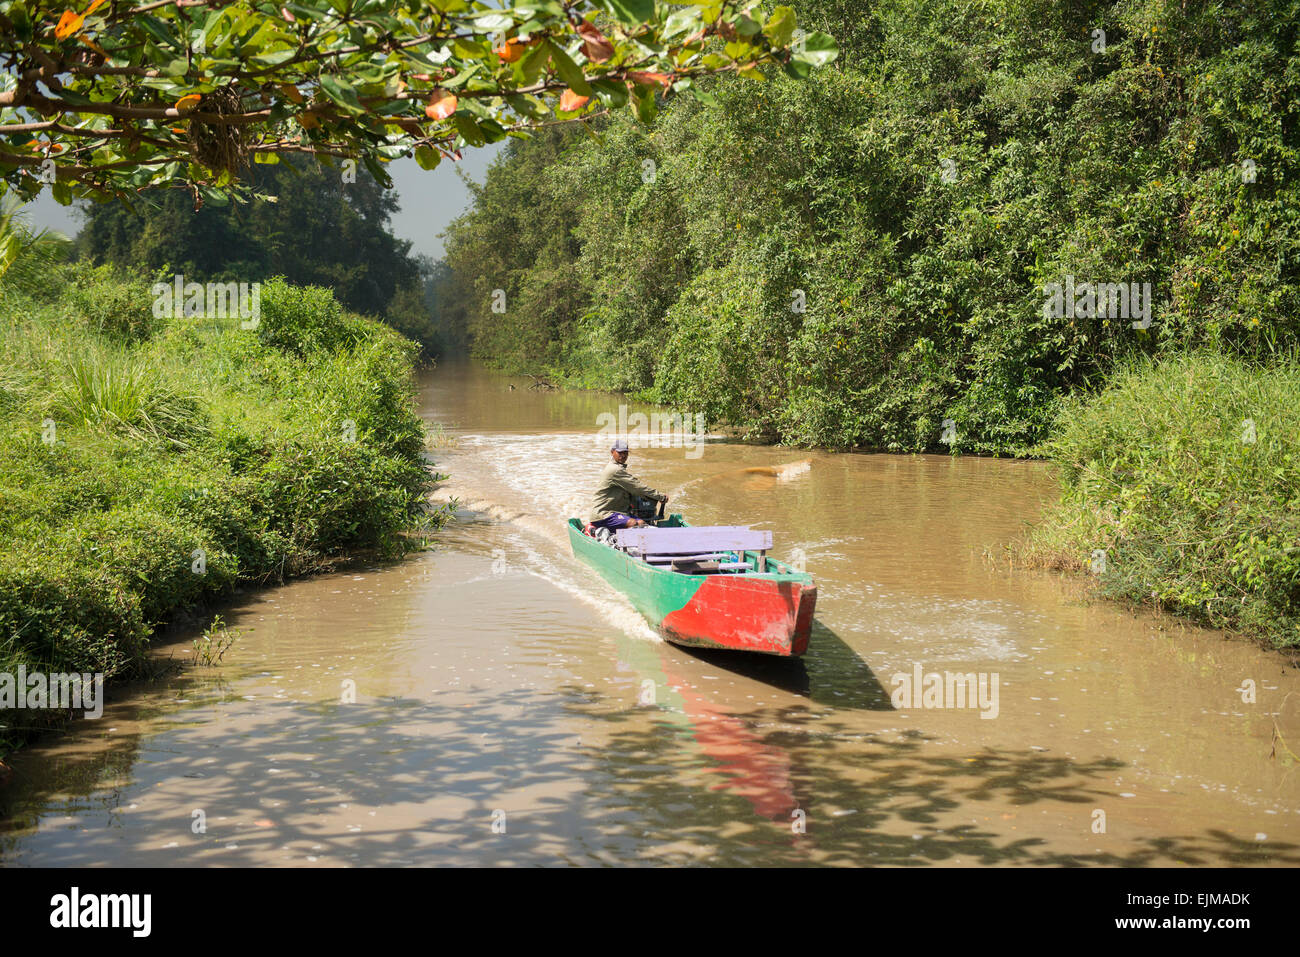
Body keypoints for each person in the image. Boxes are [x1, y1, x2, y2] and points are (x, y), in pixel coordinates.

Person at [588, 439, 668, 531]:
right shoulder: (615, 470)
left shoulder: (618, 469)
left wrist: (653, 498)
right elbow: (637, 487)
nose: (623, 455)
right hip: (603, 514)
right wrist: (660, 497)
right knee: (634, 523)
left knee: (642, 523)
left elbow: (634, 490)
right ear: (612, 452)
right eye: (620, 452)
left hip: (616, 513)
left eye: (625, 453)